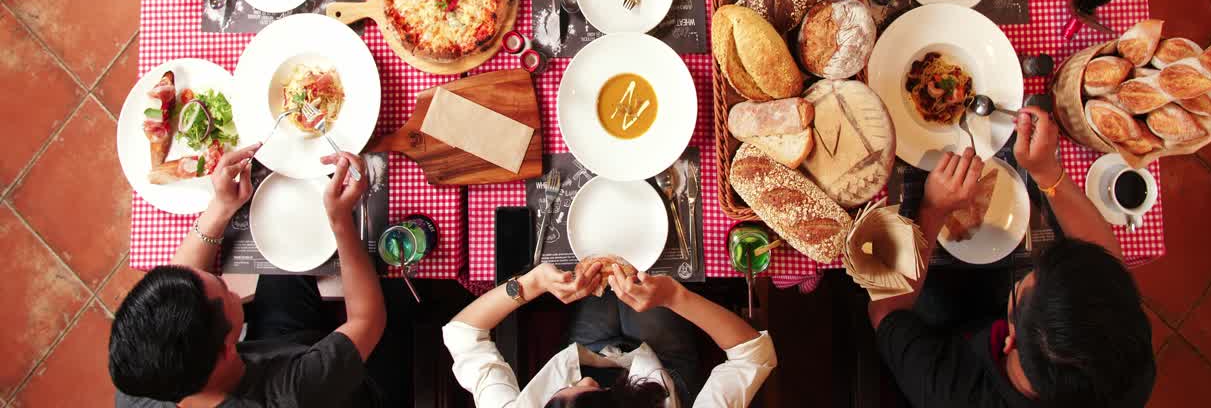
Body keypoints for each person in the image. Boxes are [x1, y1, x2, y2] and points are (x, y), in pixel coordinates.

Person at [868, 106, 1155, 407]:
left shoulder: (949, 389)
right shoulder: (1128, 373)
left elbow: (885, 314)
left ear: (1011, 339)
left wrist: (932, 210)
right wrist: (1048, 172)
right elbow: (1105, 262)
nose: (1030, 273)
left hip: (947, 332)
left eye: (1028, 281)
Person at [109, 146, 395, 407]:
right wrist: (340, 219)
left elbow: (182, 278)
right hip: (341, 386)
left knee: (289, 246)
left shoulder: (139, 379)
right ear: (225, 350)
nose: (230, 289)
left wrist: (220, 207)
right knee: (397, 297)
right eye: (225, 289)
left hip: (273, 345)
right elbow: (367, 319)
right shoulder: (294, 391)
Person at [444, 262, 776, 406]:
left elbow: (463, 335)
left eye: (559, 397)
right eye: (589, 392)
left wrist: (533, 284)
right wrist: (675, 297)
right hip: (666, 367)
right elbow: (753, 356)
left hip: (588, 350)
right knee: (640, 265)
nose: (582, 381)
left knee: (605, 257)